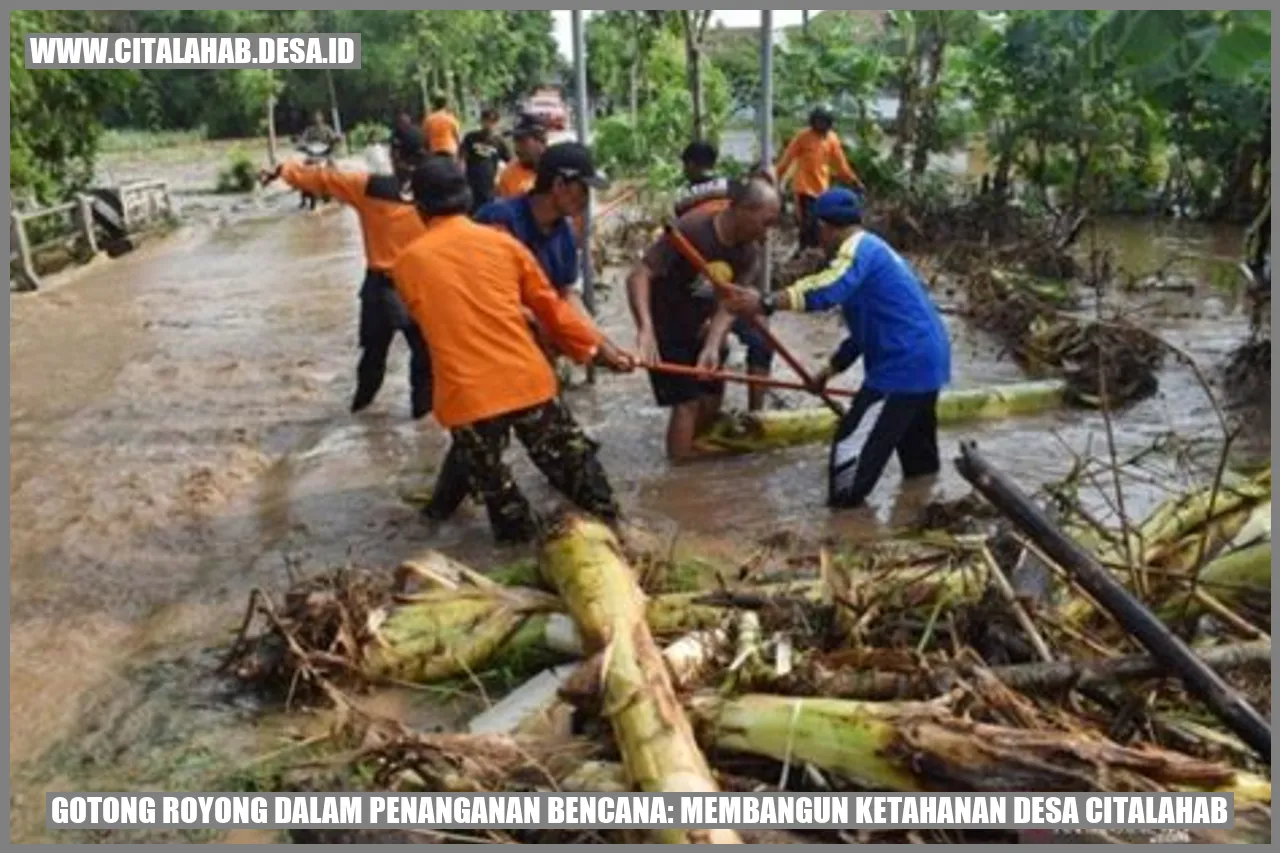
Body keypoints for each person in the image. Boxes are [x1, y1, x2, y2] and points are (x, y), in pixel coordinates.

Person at [392, 156, 634, 543]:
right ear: (467, 197)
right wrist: (595, 349)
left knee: (502, 502)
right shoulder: (504, 244)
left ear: (419, 208)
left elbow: (433, 322)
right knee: (581, 474)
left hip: (469, 396)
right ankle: (625, 539)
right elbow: (552, 309)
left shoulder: (406, 264)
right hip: (527, 380)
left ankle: (502, 552)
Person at [721, 188, 952, 509]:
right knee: (919, 465)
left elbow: (828, 287)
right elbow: (864, 334)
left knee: (847, 453)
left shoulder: (857, 251)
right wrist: (828, 372)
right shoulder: (877, 252)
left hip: (902, 367)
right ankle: (921, 513)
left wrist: (767, 301)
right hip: (928, 361)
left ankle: (844, 527)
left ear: (825, 227)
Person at [261, 128, 433, 420]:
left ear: (394, 155)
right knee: (426, 357)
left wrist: (283, 170)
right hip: (427, 286)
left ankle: (360, 417)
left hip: (383, 288)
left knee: (373, 357)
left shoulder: (371, 187)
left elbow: (323, 179)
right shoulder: (439, 188)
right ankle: (423, 421)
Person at [627, 177, 782, 462]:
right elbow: (639, 274)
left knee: (711, 397)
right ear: (744, 209)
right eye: (765, 222)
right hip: (666, 324)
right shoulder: (692, 229)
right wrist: (645, 328)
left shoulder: (749, 253)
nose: (767, 233)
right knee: (686, 404)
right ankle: (681, 469)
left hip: (702, 323)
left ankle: (698, 467)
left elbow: (729, 303)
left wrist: (713, 344)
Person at [670, 142, 776, 412]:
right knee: (758, 339)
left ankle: (711, 412)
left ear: (691, 165)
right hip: (720, 284)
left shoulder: (683, 198)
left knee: (720, 342)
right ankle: (756, 412)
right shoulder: (736, 187)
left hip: (708, 285)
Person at [474, 141, 605, 319]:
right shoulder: (498, 220)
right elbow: (485, 291)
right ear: (559, 185)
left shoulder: (564, 234)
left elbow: (566, 296)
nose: (586, 198)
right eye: (583, 188)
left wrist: (599, 343)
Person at [775, 105, 864, 250]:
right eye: (817, 121)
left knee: (821, 223)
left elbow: (841, 164)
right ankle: (804, 251)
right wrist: (776, 177)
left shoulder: (832, 139)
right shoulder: (803, 137)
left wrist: (854, 181)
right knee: (808, 222)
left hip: (822, 188)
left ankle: (815, 251)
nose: (820, 125)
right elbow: (787, 159)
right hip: (804, 188)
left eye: (823, 121)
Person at [460, 107, 511, 211]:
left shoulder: (499, 142)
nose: (488, 124)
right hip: (471, 183)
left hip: (489, 186)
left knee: (486, 212)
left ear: (496, 123)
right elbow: (461, 157)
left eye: (492, 121)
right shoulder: (471, 137)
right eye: (486, 120)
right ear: (481, 121)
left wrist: (502, 181)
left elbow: (510, 162)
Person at [495, 114, 547, 199]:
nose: (517, 148)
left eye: (523, 141)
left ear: (540, 139)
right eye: (515, 141)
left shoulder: (558, 169)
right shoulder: (508, 173)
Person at [422, 93, 461, 157]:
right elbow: (457, 137)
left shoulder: (428, 120)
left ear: (434, 105)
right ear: (445, 105)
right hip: (450, 151)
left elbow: (425, 139)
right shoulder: (451, 119)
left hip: (434, 151)